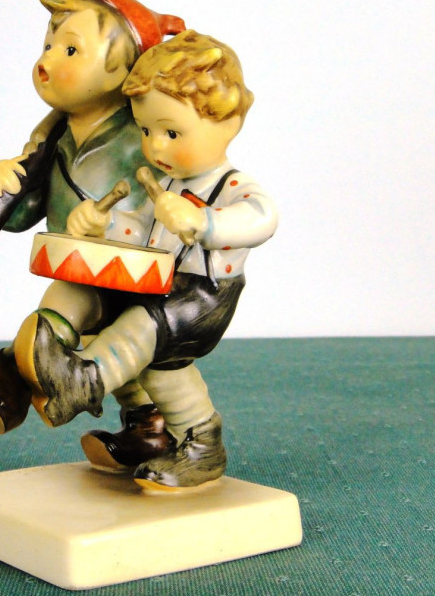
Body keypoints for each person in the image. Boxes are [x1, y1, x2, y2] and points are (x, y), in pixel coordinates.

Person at [25, 30, 279, 490]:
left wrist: (204, 222)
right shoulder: (163, 183)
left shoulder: (231, 186)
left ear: (228, 122)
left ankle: (83, 380)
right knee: (157, 365)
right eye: (145, 131)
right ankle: (165, 435)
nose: (156, 146)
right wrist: (99, 224)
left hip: (202, 294)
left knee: (140, 330)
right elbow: (137, 230)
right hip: (158, 285)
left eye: (171, 132)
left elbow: (263, 218)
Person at [0, 0, 185, 436]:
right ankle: (133, 424)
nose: (47, 59)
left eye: (70, 50)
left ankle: (10, 380)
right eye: (49, 45)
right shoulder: (51, 136)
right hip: (79, 269)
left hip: (137, 282)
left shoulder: (146, 135)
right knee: (60, 326)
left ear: (124, 70)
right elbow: (22, 214)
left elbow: (171, 205)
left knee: (103, 347)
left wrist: (111, 226)